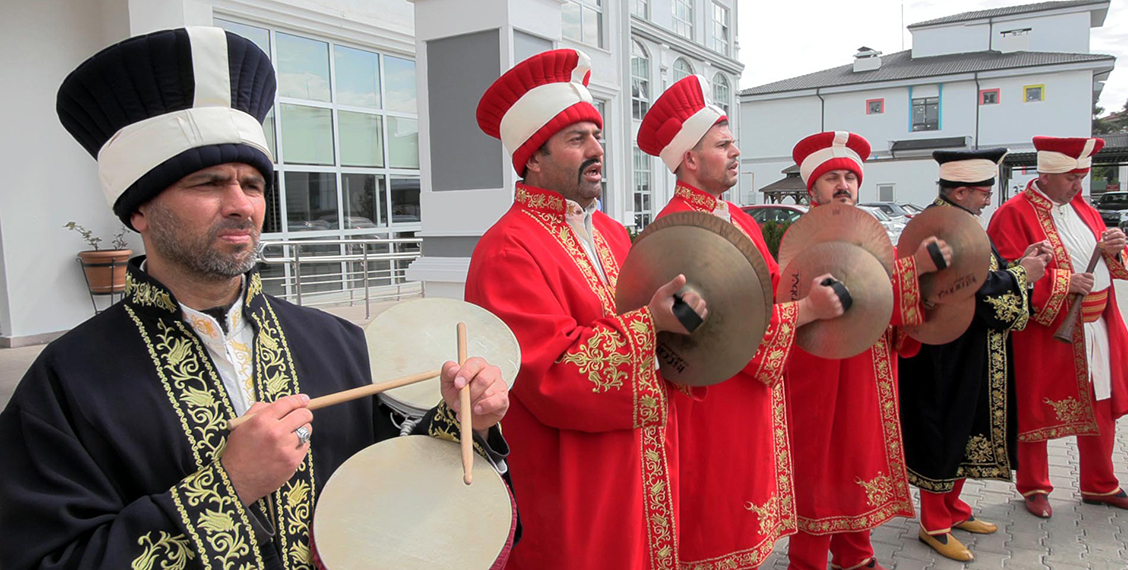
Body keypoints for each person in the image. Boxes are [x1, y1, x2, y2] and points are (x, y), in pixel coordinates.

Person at [0, 27, 511, 569]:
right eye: (208, 183)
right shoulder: (68, 381)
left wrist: (460, 422)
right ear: (139, 211)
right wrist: (228, 487)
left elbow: (394, 487)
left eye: (253, 184)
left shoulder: (336, 343)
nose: (241, 204)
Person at [465, 49, 709, 570]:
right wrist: (653, 323)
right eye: (578, 139)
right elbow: (550, 371)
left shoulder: (615, 234)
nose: (597, 150)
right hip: (574, 480)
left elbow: (656, 330)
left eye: (597, 135)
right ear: (532, 156)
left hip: (643, 460)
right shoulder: (506, 249)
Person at [636, 75, 845, 569]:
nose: (735, 152)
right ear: (689, 158)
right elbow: (717, 328)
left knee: (746, 529)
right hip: (713, 407)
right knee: (717, 532)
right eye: (722, 144)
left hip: (752, 400)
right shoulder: (676, 230)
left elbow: (768, 294)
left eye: (733, 143)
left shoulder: (742, 220)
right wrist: (807, 309)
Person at [783, 131, 953, 570]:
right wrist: (915, 270)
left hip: (868, 366)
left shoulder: (874, 234)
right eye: (832, 178)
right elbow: (848, 289)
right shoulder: (801, 239)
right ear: (811, 190)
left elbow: (889, 294)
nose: (843, 185)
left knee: (859, 457)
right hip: (818, 370)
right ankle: (809, 560)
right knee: (819, 465)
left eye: (850, 177)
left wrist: (921, 279)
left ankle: (855, 553)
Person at [897, 149, 1051, 562]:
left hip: (970, 350)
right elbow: (970, 288)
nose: (988, 200)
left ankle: (954, 509)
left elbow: (982, 274)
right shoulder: (938, 227)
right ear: (961, 191)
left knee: (967, 430)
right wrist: (1023, 275)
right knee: (943, 431)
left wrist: (1018, 265)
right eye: (983, 193)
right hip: (943, 355)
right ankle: (934, 523)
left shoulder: (960, 221)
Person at [988, 136, 1128, 518]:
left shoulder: (1083, 207)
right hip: (1046, 329)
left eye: (1082, 176)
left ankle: (1100, 483)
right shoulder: (1013, 213)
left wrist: (1115, 247)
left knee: (1099, 402)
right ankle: (1035, 486)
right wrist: (1063, 283)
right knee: (1037, 406)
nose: (1079, 185)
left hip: (1096, 323)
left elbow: (1102, 253)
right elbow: (1007, 272)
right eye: (1072, 177)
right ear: (1048, 173)